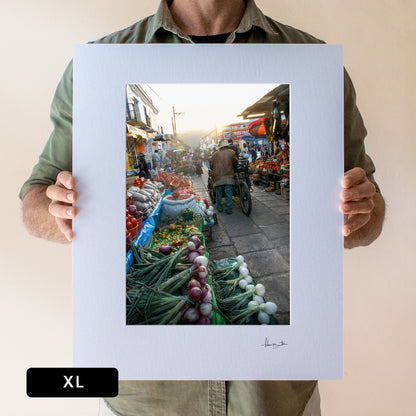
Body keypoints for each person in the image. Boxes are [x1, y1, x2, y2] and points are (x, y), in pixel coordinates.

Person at [19, 0, 385, 415]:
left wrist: (360, 212)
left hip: (275, 396)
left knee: (225, 197)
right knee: (225, 198)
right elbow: (34, 200)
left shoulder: (316, 67)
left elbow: (370, 221)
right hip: (143, 400)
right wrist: (57, 212)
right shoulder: (98, 66)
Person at [211, 139, 238, 214]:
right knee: (228, 193)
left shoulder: (214, 154)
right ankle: (228, 209)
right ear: (226, 145)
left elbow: (211, 166)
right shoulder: (232, 152)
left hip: (218, 177)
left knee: (218, 193)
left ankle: (219, 208)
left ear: (220, 147)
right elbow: (236, 162)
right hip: (229, 176)